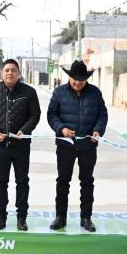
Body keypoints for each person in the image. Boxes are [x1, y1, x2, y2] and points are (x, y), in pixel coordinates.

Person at [47, 60, 108, 232]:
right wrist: (61, 128)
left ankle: (86, 218)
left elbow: (102, 115)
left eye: (81, 80)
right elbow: (51, 115)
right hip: (65, 145)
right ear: (69, 77)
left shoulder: (95, 93)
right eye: (74, 79)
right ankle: (60, 217)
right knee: (63, 181)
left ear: (86, 79)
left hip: (88, 146)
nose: (77, 83)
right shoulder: (59, 93)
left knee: (87, 182)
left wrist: (97, 131)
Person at [0, 58, 41, 231]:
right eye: (7, 70)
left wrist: (24, 130)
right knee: (1, 182)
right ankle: (0, 217)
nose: (10, 73)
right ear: (1, 73)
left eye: (13, 70)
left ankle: (22, 218)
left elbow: (34, 115)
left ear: (19, 73)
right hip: (0, 146)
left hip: (21, 146)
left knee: (22, 182)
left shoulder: (29, 92)